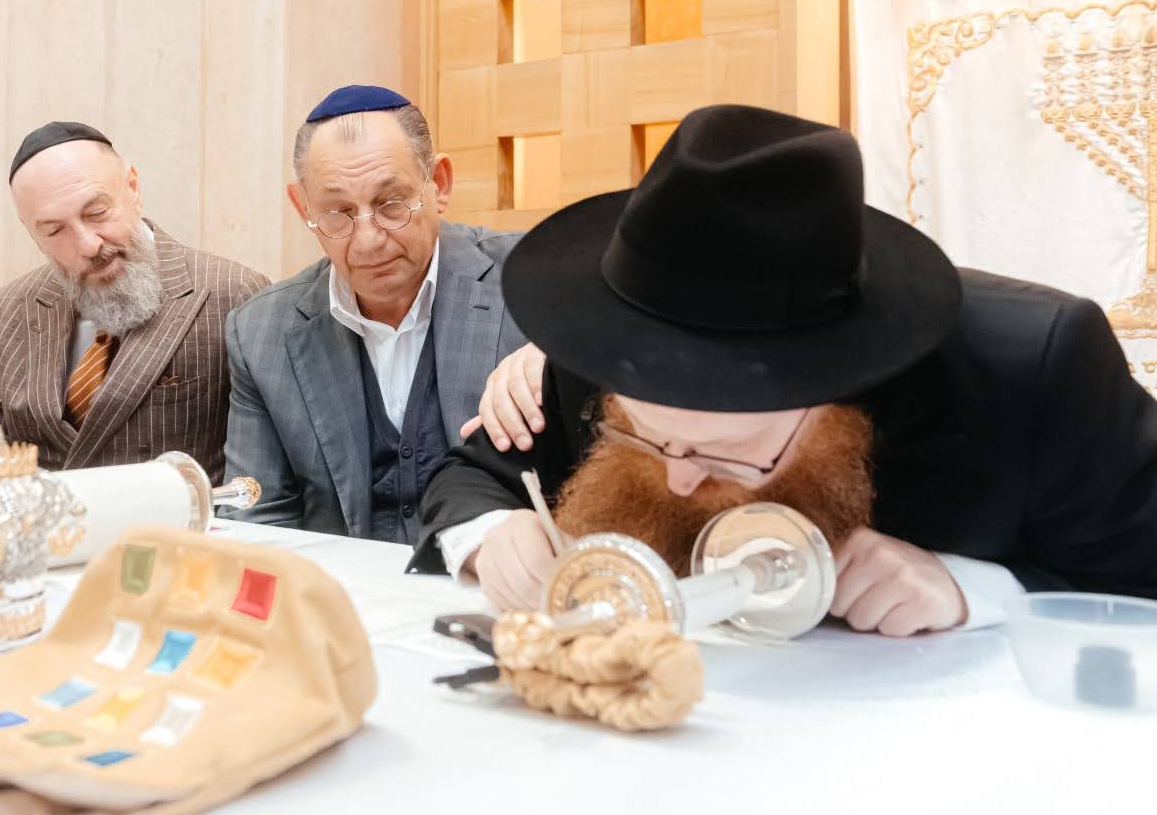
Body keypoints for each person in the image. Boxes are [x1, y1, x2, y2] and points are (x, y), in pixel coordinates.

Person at [414, 104, 1157, 636]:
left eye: (726, 451)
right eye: (644, 436)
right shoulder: (607, 350)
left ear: (833, 391)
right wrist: (490, 535)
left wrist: (971, 590)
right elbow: (469, 477)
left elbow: (1139, 581)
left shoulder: (1034, 368)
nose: (677, 478)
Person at [222, 86, 527, 543]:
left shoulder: (527, 285)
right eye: (338, 212)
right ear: (303, 206)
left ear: (439, 183)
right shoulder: (261, 332)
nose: (367, 241)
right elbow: (256, 516)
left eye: (391, 204)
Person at [0, 122, 268, 476]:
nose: (88, 245)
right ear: (32, 234)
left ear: (132, 188)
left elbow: (259, 477)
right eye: (55, 230)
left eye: (97, 213)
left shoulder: (234, 293)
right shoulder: (12, 306)